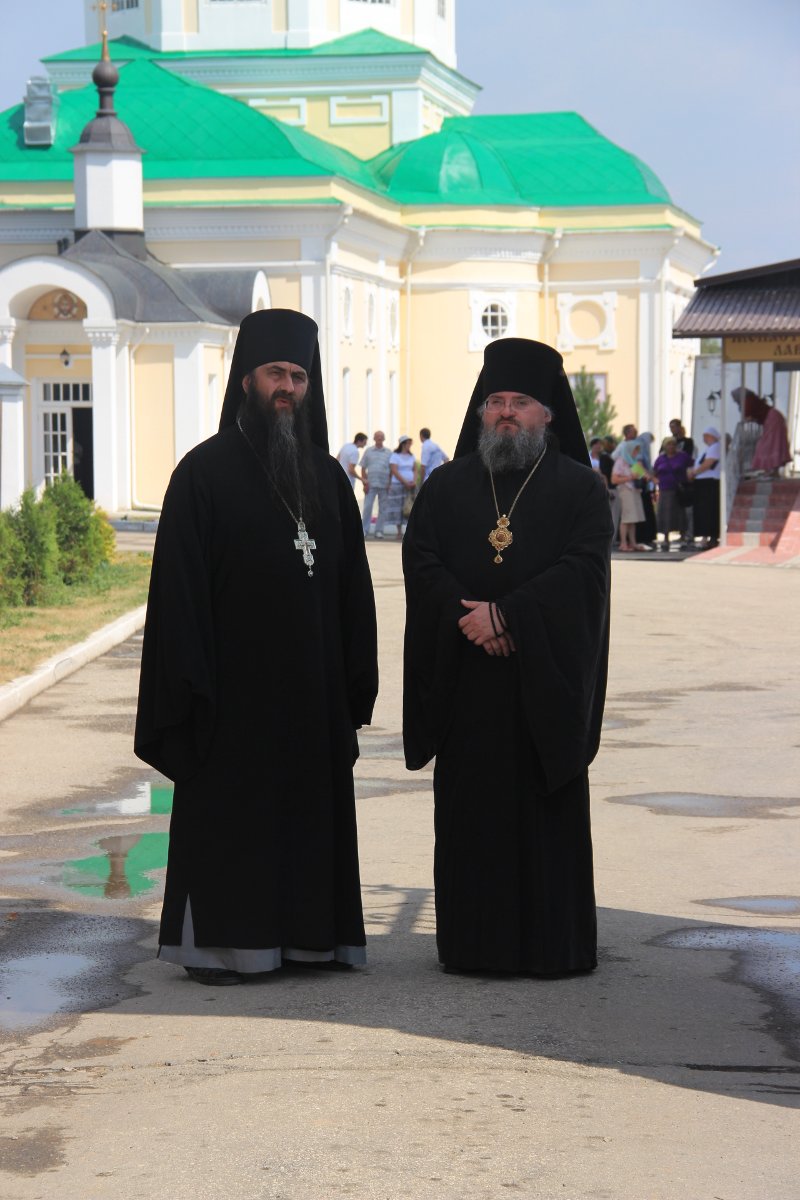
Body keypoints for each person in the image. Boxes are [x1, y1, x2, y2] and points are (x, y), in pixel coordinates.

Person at [135, 309, 379, 985]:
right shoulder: (202, 475)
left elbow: (354, 591)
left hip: (315, 697)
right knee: (234, 827)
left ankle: (311, 942)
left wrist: (353, 684)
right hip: (232, 699)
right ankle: (224, 949)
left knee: (309, 821)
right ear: (246, 379)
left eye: (299, 376)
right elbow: (178, 596)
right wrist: (191, 692)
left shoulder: (328, 479)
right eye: (276, 373)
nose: (287, 388)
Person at [402, 337, 612, 976]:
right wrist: (469, 618)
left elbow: (584, 570)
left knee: (544, 816)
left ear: (548, 413)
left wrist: (510, 615)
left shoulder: (580, 488)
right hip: (467, 688)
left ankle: (554, 948)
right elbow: (422, 561)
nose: (506, 413)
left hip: (542, 688)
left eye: (520, 402)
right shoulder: (446, 486)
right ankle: (474, 947)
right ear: (480, 411)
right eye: (495, 401)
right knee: (473, 818)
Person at [732, 387, 792, 475]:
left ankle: (771, 470)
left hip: (772, 419)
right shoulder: (751, 399)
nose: (735, 401)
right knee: (774, 444)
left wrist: (748, 418)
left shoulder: (748, 401)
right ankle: (773, 470)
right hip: (773, 417)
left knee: (768, 444)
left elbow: (748, 415)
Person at [652, 437, 692, 550]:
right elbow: (654, 471)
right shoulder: (661, 459)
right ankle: (666, 538)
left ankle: (683, 536)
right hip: (664, 490)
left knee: (680, 514)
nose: (671, 447)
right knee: (665, 514)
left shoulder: (682, 456)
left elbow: (691, 465)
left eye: (673, 444)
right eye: (669, 444)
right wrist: (654, 480)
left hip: (679, 490)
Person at [687, 425, 722, 547]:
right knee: (703, 511)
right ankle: (705, 536)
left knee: (708, 511)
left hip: (710, 482)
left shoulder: (716, 447)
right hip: (703, 482)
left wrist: (694, 472)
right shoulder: (709, 448)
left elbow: (708, 463)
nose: (704, 439)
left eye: (706, 436)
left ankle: (710, 537)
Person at [612, 439, 649, 551]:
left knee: (632, 519)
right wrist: (630, 477)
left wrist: (643, 474)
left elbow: (643, 475)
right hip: (625, 491)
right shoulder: (620, 461)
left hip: (634, 491)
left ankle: (633, 543)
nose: (636, 453)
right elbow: (614, 479)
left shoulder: (633, 462)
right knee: (626, 518)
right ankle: (623, 543)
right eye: (635, 450)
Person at [359, 429, 393, 538]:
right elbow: (363, 468)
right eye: (377, 436)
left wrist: (389, 483)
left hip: (384, 484)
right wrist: (365, 483)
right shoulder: (368, 451)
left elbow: (392, 469)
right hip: (371, 484)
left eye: (381, 437)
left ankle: (379, 531)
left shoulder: (389, 452)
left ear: (384, 439)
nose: (379, 438)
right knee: (367, 507)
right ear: (374, 438)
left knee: (383, 509)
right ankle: (364, 530)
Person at [385, 435, 417, 539]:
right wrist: (405, 482)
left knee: (409, 507)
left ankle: (409, 531)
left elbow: (414, 469)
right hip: (398, 485)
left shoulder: (411, 456)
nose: (410, 445)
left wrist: (414, 481)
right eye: (408, 443)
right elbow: (394, 470)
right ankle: (399, 531)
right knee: (398, 508)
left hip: (410, 485)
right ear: (403, 444)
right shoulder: (395, 456)